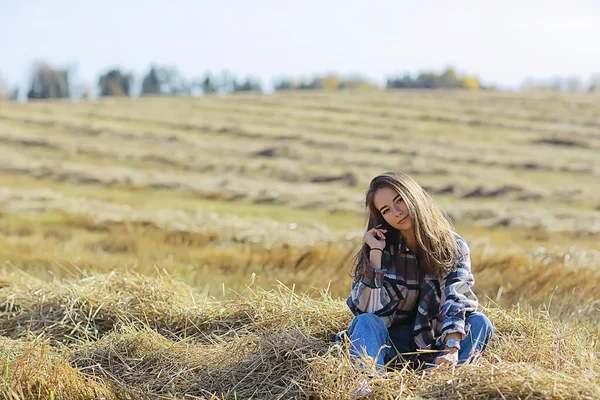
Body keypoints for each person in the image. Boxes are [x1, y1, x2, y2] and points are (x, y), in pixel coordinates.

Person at [342, 171, 493, 371]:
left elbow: (457, 297)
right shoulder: (380, 249)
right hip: (389, 349)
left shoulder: (453, 245)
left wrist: (451, 348)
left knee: (480, 322)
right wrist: (376, 256)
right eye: (386, 210)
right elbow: (368, 313)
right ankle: (368, 386)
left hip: (435, 347)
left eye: (400, 200)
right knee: (365, 321)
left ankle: (439, 385)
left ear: (413, 195)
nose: (396, 212)